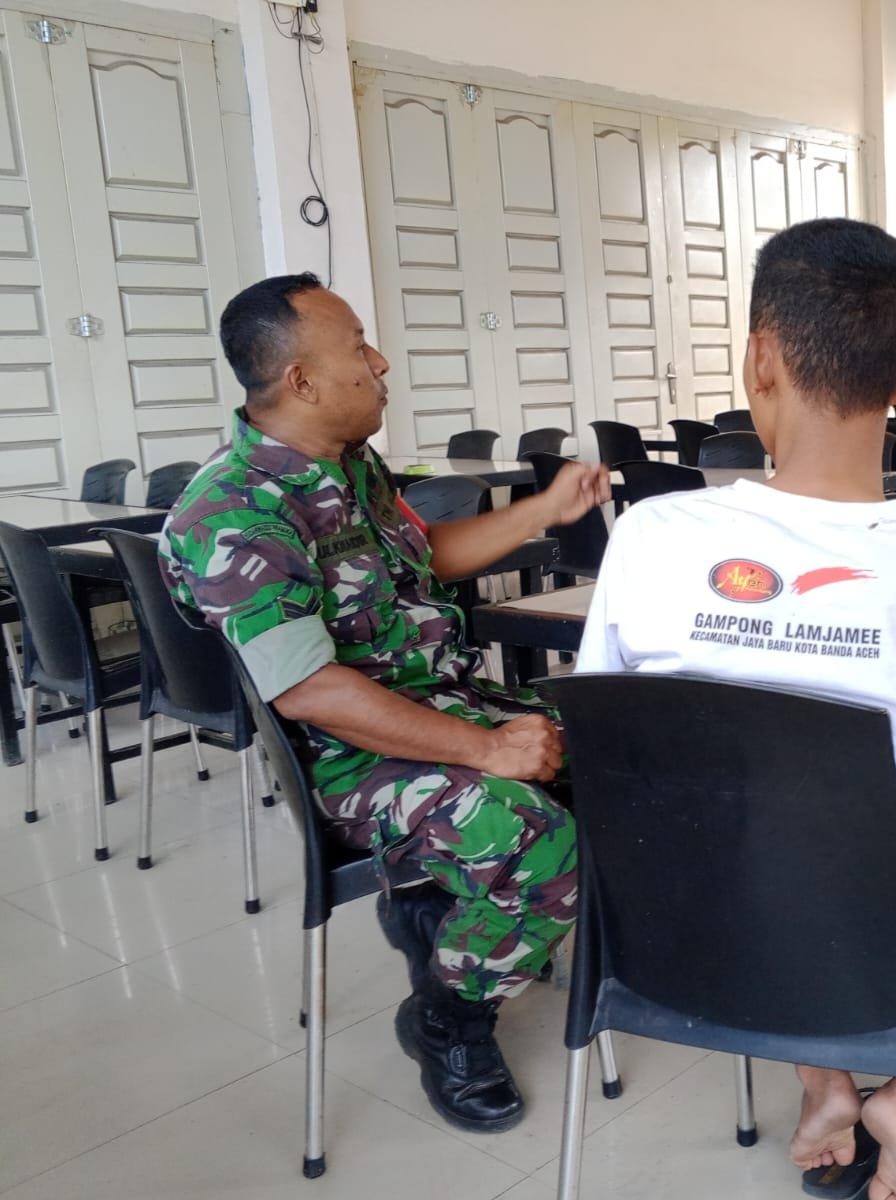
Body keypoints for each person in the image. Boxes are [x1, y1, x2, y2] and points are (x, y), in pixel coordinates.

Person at [575, 219, 896, 1200]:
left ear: (757, 359)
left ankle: (825, 1084)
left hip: (685, 909)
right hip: (893, 920)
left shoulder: (647, 537)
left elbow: (607, 725)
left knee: (770, 836)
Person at [160, 273, 612, 1133]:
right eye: (358, 347)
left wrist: (544, 510)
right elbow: (311, 690)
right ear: (301, 381)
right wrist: (488, 750)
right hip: (350, 754)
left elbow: (426, 554)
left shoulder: (346, 465)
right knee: (537, 841)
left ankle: (437, 905)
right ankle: (447, 1019)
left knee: (631, 748)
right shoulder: (230, 510)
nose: (380, 361)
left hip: (442, 703)